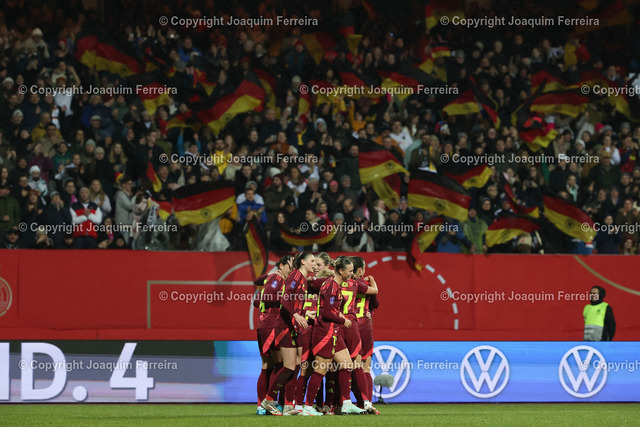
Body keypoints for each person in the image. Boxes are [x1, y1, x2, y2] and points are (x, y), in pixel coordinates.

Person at [301, 256, 366, 416]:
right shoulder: (330, 286)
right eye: (349, 271)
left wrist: (340, 315)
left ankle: (346, 404)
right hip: (325, 332)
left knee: (347, 364)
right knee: (320, 370)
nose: (351, 274)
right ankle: (307, 407)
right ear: (341, 271)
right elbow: (326, 313)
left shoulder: (334, 285)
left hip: (333, 332)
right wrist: (343, 320)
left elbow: (332, 309)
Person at [262, 252, 317, 416]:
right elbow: (285, 299)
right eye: (312, 261)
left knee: (295, 366)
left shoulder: (303, 279)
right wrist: (296, 315)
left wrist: (305, 314)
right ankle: (268, 400)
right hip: (284, 326)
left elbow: (295, 303)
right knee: (288, 366)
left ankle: (288, 405)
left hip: (293, 327)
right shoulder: (295, 276)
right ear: (303, 262)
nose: (314, 264)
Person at [254, 255, 293, 416]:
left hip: (264, 324)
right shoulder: (277, 279)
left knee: (268, 365)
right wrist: (287, 299)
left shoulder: (273, 278)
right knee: (280, 364)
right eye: (290, 266)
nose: (292, 269)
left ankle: (262, 405)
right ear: (281, 266)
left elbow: (257, 301)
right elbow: (266, 296)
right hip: (271, 326)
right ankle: (269, 402)